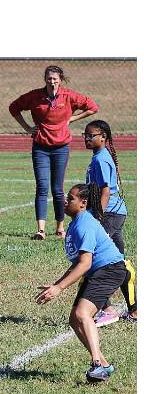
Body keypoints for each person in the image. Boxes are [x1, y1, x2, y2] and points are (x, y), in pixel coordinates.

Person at [35, 183, 126, 383]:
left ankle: (96, 365)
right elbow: (79, 263)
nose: (66, 201)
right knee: (74, 320)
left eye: (71, 198)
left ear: (83, 203)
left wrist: (59, 288)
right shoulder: (76, 223)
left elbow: (85, 264)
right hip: (98, 271)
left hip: (110, 270)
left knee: (82, 314)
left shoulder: (84, 223)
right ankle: (104, 365)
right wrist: (55, 285)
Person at [9, 65, 98, 240]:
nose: (52, 82)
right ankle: (40, 230)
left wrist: (72, 118)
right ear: (45, 79)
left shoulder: (69, 96)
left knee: (57, 190)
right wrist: (27, 128)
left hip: (61, 148)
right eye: (49, 78)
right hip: (40, 148)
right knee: (42, 187)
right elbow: (14, 108)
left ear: (60, 80)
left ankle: (60, 227)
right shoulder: (35, 96)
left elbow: (93, 107)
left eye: (55, 79)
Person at [83, 119, 137, 325]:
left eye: (91, 135)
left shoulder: (101, 159)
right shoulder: (98, 157)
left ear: (103, 137)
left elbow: (105, 191)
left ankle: (107, 308)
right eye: (85, 135)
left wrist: (97, 217)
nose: (87, 139)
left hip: (110, 215)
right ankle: (134, 310)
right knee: (118, 261)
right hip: (113, 214)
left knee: (94, 258)